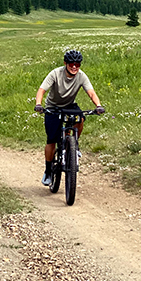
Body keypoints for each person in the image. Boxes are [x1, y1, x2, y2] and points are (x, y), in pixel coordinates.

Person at [34, 49, 104, 186]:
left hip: (69, 105)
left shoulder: (81, 76)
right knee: (51, 140)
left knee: (81, 117)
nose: (74, 67)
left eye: (77, 64)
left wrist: (99, 105)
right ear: (65, 63)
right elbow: (42, 90)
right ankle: (48, 171)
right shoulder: (55, 73)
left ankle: (74, 146)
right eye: (71, 63)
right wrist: (38, 104)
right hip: (52, 107)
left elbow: (91, 92)